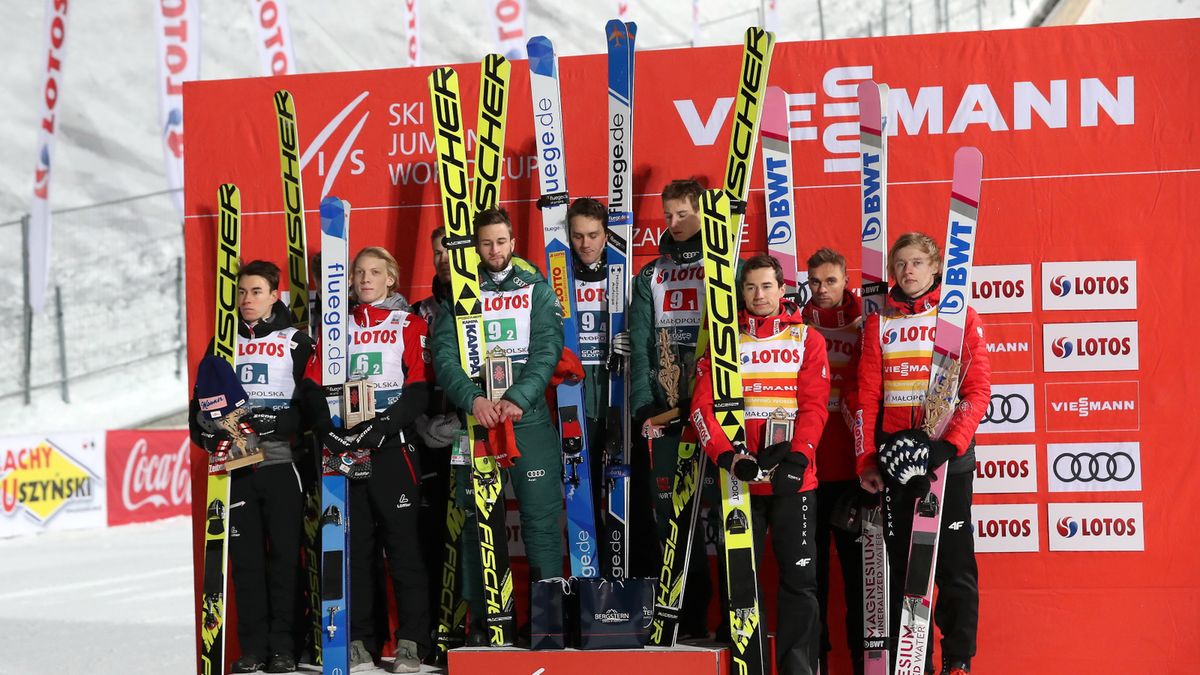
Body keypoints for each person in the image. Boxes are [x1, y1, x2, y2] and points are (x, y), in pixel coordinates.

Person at [856, 232, 991, 675]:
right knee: (907, 572)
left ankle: (958, 661)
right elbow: (867, 397)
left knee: (954, 567)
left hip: (948, 461)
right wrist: (867, 461)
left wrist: (948, 446)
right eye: (900, 264)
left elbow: (977, 390)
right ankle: (916, 665)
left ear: (935, 269)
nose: (907, 271)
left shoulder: (959, 318)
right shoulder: (881, 324)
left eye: (916, 262)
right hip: (899, 463)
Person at [429, 207, 566, 642]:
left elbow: (548, 348)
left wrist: (516, 398)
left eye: (500, 242)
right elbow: (445, 357)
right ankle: (487, 623)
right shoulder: (462, 293)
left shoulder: (536, 289)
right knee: (476, 522)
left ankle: (546, 624)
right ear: (475, 246)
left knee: (542, 520)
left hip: (526, 417)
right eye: (485, 243)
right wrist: (473, 400)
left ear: (512, 242)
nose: (494, 251)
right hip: (477, 422)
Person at [691, 254, 830, 675]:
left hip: (793, 480)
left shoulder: (806, 338)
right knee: (741, 585)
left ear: (783, 289)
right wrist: (728, 457)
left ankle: (798, 669)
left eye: (767, 286)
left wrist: (800, 456)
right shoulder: (724, 340)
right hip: (739, 481)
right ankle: (748, 668)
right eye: (751, 288)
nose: (759, 295)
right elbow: (702, 409)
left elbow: (815, 406)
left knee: (800, 582)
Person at [304, 246, 431, 673]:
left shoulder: (408, 324)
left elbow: (419, 388)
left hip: (391, 448)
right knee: (355, 551)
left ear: (391, 279)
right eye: (358, 272)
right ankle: (359, 639)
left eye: (375, 272)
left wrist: (381, 427)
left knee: (404, 548)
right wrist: (330, 430)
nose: (365, 279)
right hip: (346, 450)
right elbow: (311, 386)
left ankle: (413, 641)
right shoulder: (335, 328)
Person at [189, 260, 313, 674]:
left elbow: (311, 412)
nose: (247, 300)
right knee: (244, 563)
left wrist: (275, 422)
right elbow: (198, 409)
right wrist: (206, 438)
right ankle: (253, 648)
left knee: (282, 559)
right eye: (242, 292)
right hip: (235, 469)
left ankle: (284, 647)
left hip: (280, 466)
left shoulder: (295, 341)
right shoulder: (222, 344)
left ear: (275, 295)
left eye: (256, 292)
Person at [628, 178, 725, 637]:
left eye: (683, 213)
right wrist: (647, 406)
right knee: (673, 516)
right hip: (668, 410)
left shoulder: (726, 265)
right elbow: (643, 343)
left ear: (703, 212)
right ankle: (683, 619)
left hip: (717, 407)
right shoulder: (651, 274)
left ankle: (731, 621)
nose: (673, 223)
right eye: (667, 215)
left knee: (729, 518)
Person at [565, 197, 656, 578]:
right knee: (581, 495)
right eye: (578, 236)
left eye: (593, 235)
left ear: (606, 235)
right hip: (576, 400)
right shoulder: (558, 277)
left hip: (617, 396)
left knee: (630, 495)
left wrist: (631, 343)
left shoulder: (624, 276)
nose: (586, 244)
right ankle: (589, 579)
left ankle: (639, 580)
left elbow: (648, 332)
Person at [800, 247, 865, 675]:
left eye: (832, 281)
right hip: (807, 474)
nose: (823, 291)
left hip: (857, 477)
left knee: (863, 584)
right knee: (811, 582)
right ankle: (814, 664)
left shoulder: (868, 327)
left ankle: (866, 663)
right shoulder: (796, 328)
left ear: (846, 281)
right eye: (816, 282)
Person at [411, 226, 465, 655]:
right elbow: (404, 375)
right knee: (429, 535)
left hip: (475, 433)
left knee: (472, 532)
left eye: (450, 252)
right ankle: (435, 631)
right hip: (428, 441)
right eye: (437, 254)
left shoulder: (490, 304)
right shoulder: (419, 312)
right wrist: (419, 422)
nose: (443, 260)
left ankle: (476, 626)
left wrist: (466, 420)